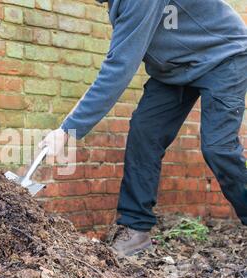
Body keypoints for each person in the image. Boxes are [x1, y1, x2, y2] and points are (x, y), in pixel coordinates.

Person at [39, 0, 247, 256]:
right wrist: (67, 127)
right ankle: (134, 230)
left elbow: (119, 67)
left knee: (218, 147)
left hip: (222, 56)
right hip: (174, 69)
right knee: (144, 133)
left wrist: (68, 130)